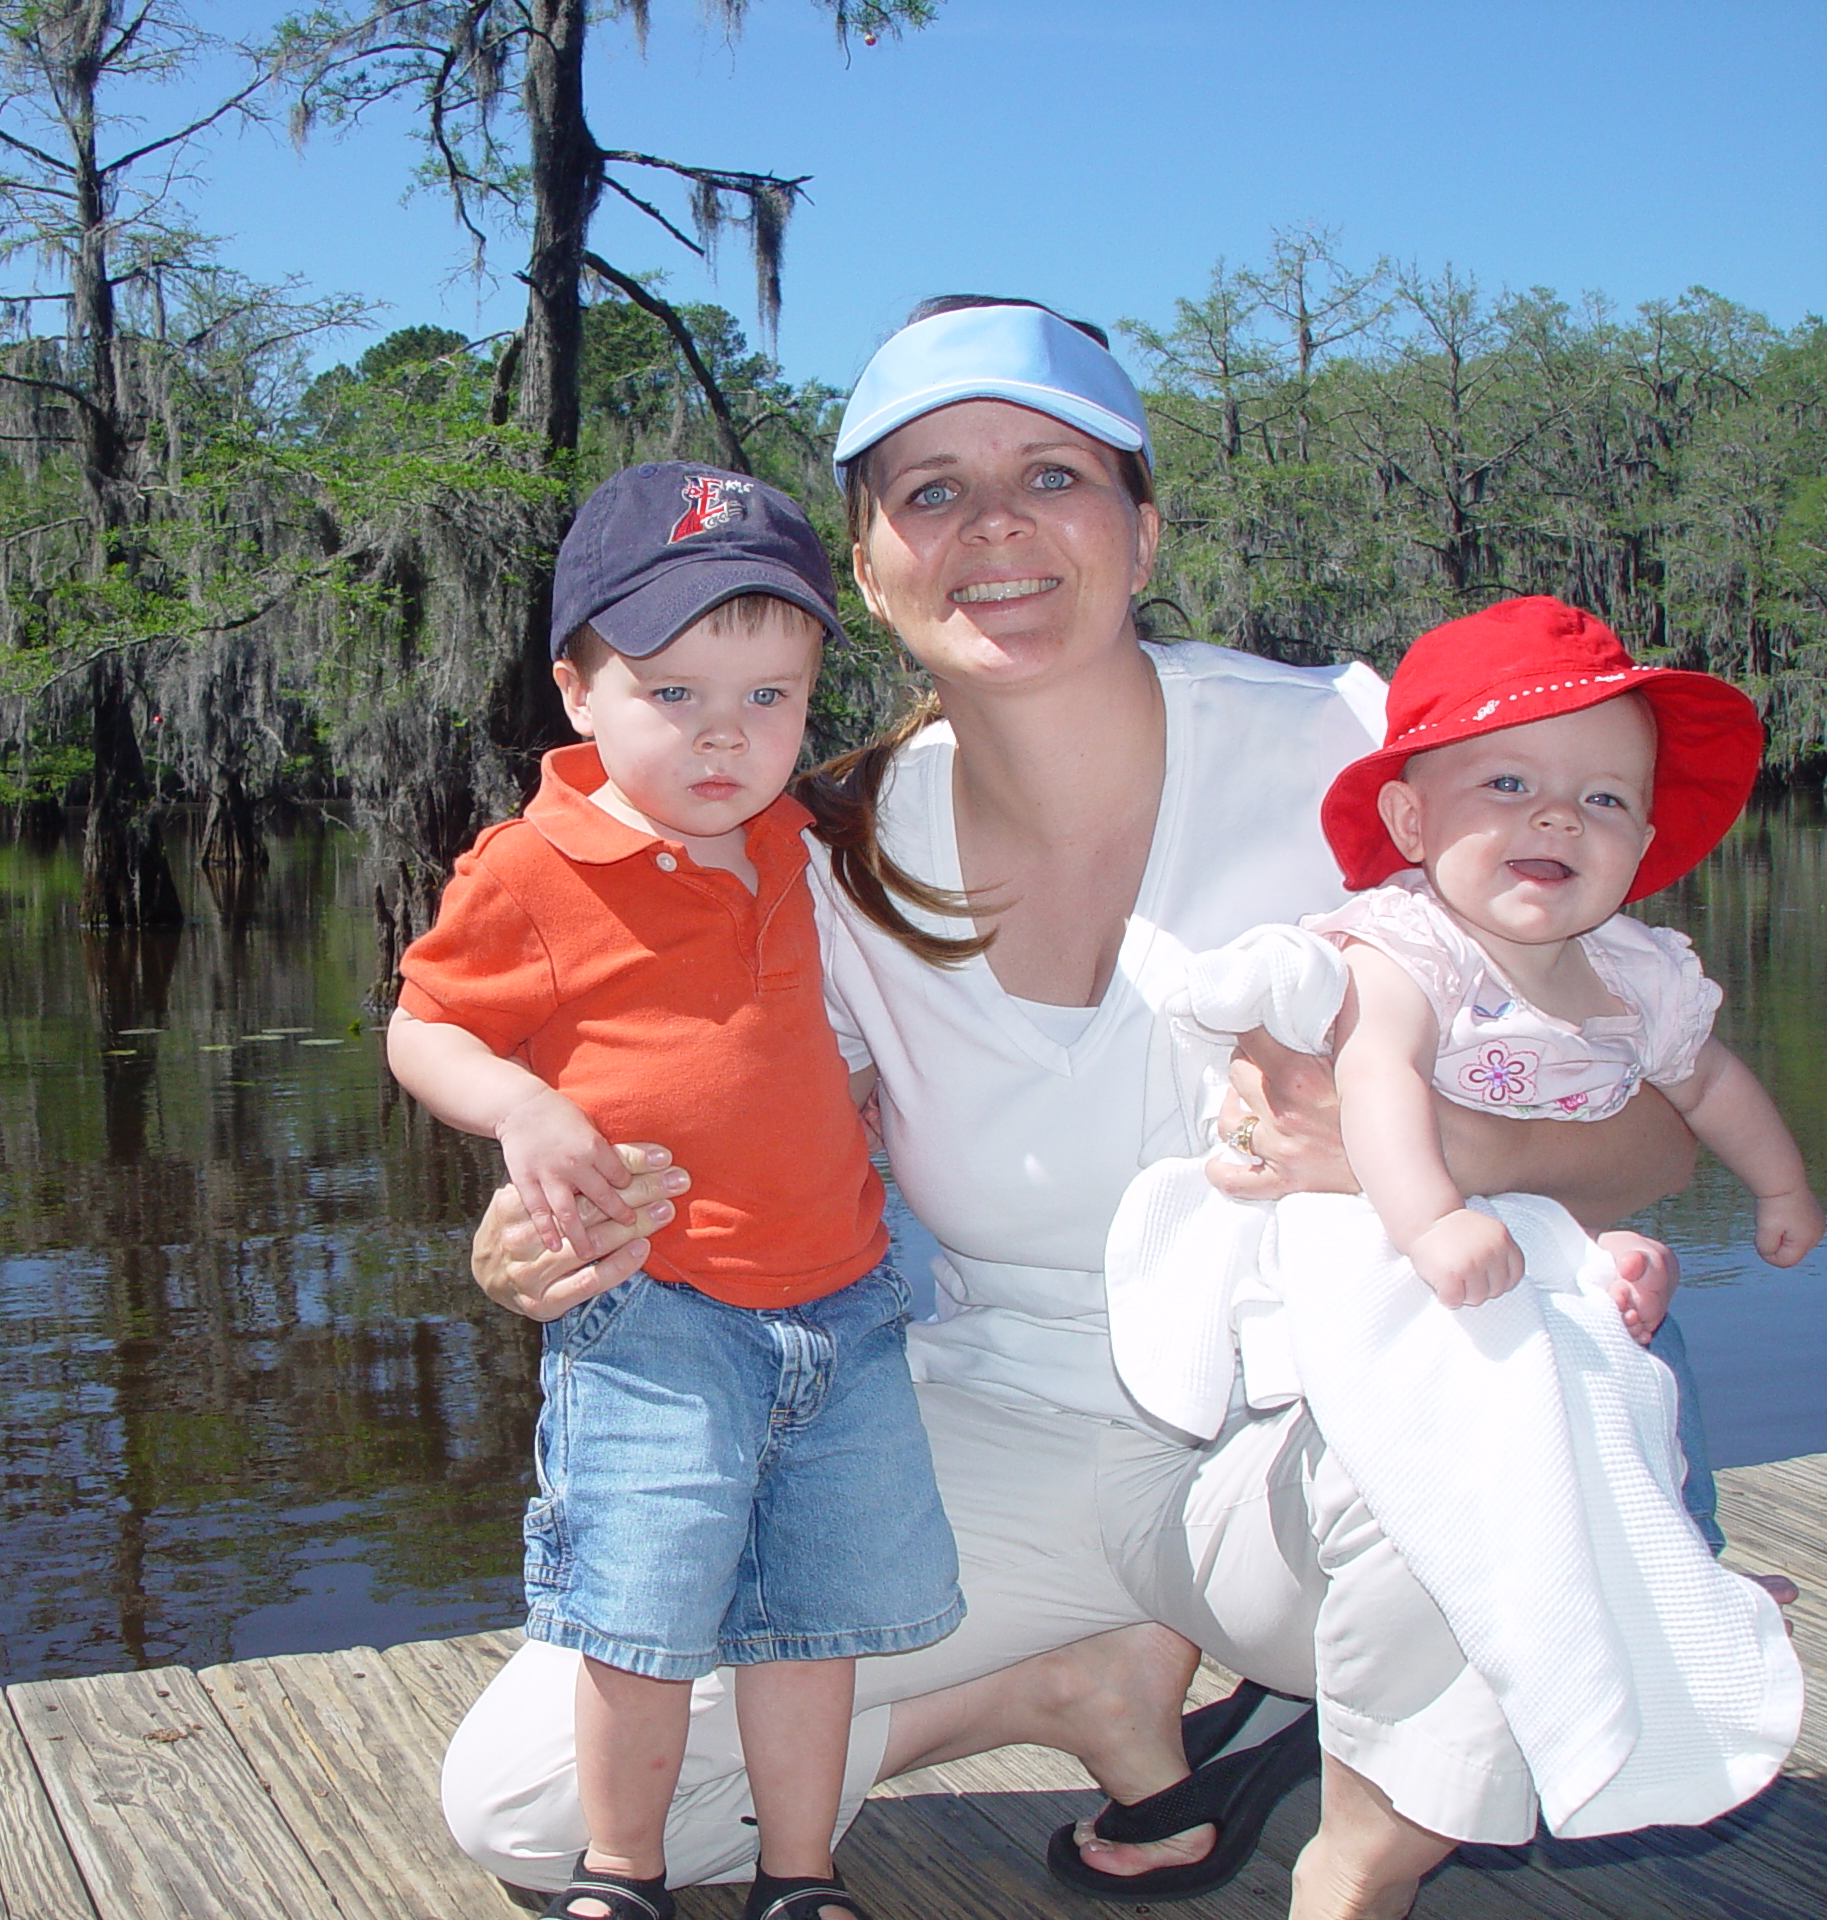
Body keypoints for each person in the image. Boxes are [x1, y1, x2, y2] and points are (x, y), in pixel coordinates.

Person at [438, 299, 1704, 1920]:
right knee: (536, 1808)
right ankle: (1075, 1688)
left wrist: (1447, 1150)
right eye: (932, 491)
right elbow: (698, 1143)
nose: (999, 528)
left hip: (1299, 1433)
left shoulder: (1360, 753)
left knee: (1545, 1587)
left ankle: (1363, 1795)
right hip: (1002, 1431)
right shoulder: (813, 860)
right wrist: (537, 1235)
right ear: (868, 569)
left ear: (1143, 528)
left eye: (1054, 472)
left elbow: (1666, 1127)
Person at [389, 463, 965, 1920]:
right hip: (654, 1316)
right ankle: (621, 1872)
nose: (726, 735)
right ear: (580, 690)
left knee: (810, 1624)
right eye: (673, 692)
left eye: (769, 697)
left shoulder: (806, 838)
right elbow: (424, 1023)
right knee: (634, 1621)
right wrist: (523, 1108)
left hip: (846, 1310)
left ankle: (800, 1871)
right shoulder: (533, 867)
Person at [1305, 593, 1823, 1308]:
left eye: (1605, 799)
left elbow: (1710, 1086)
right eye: (1508, 784)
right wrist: (1434, 1221)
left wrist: (1783, 1187)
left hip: (1528, 1227)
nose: (1558, 817)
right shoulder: (1410, 948)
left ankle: (1597, 1268)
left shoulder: (1639, 975)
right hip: (1396, 1223)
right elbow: (1378, 1073)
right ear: (1411, 821)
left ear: (1641, 844)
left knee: (1605, 1271)